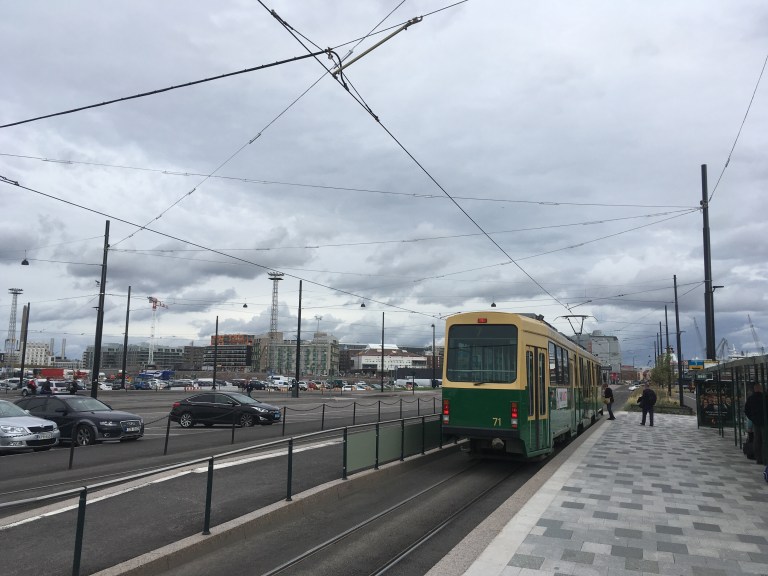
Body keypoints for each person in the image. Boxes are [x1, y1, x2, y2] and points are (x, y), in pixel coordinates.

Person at [744, 383, 766, 465]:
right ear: (760, 389)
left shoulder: (751, 398)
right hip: (764, 422)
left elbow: (746, 410)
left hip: (755, 422)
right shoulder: (765, 397)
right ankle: (765, 457)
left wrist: (752, 418)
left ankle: (758, 458)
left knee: (757, 440)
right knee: (764, 440)